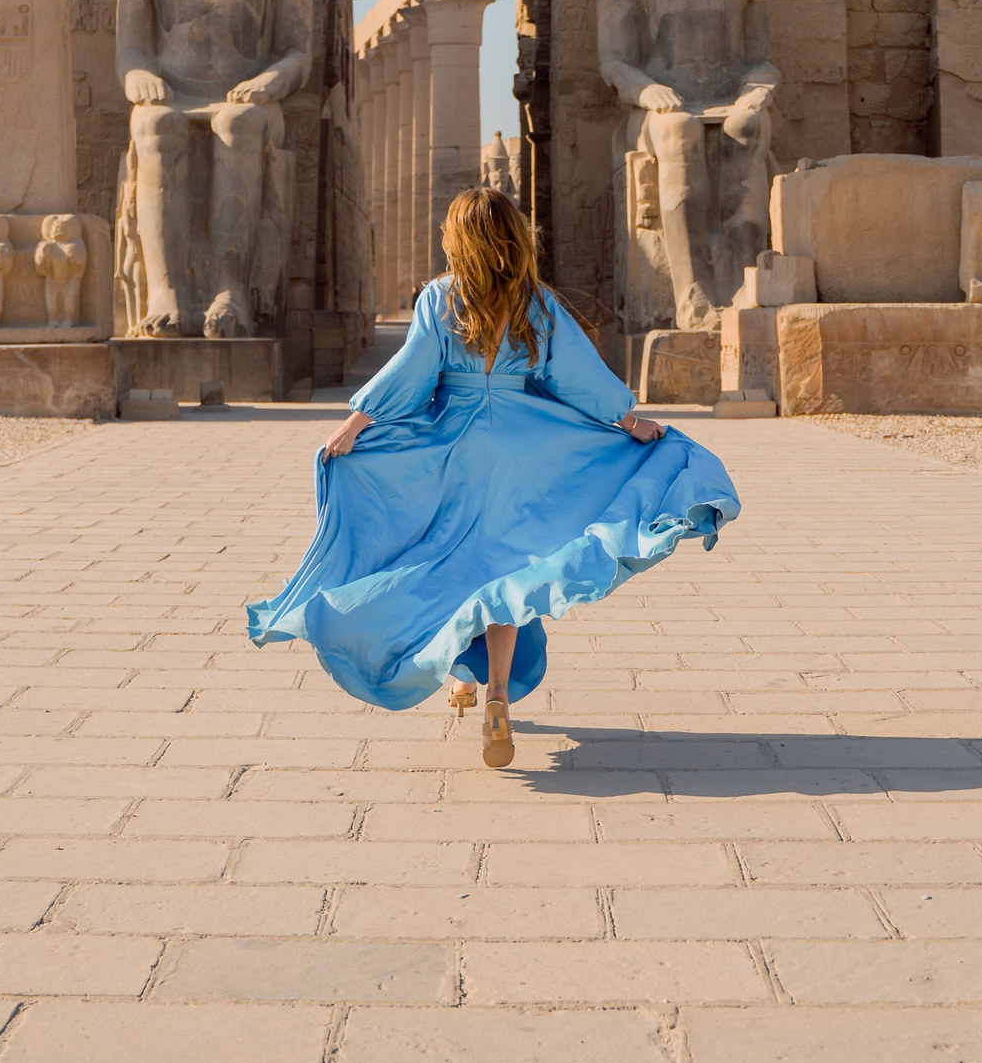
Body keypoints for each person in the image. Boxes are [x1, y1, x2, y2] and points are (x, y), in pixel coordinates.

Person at [247, 188, 741, 768]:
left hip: (453, 446)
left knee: (450, 562)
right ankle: (495, 693)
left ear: (457, 239)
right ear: (515, 235)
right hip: (523, 447)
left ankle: (452, 671)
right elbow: (576, 376)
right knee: (504, 572)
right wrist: (628, 420)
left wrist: (357, 424)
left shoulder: (441, 297)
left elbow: (411, 371)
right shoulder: (537, 302)